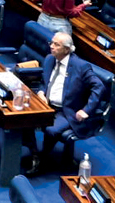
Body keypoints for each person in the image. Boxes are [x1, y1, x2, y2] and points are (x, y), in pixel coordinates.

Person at [34, 27, 110, 172]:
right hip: (47, 104)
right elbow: (44, 83)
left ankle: (41, 158)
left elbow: (99, 87)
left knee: (51, 129)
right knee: (24, 117)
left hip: (67, 110)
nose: (51, 46)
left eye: (57, 45)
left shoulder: (81, 66)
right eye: (52, 43)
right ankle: (33, 150)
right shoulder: (50, 59)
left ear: (67, 49)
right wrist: (41, 93)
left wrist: (86, 110)